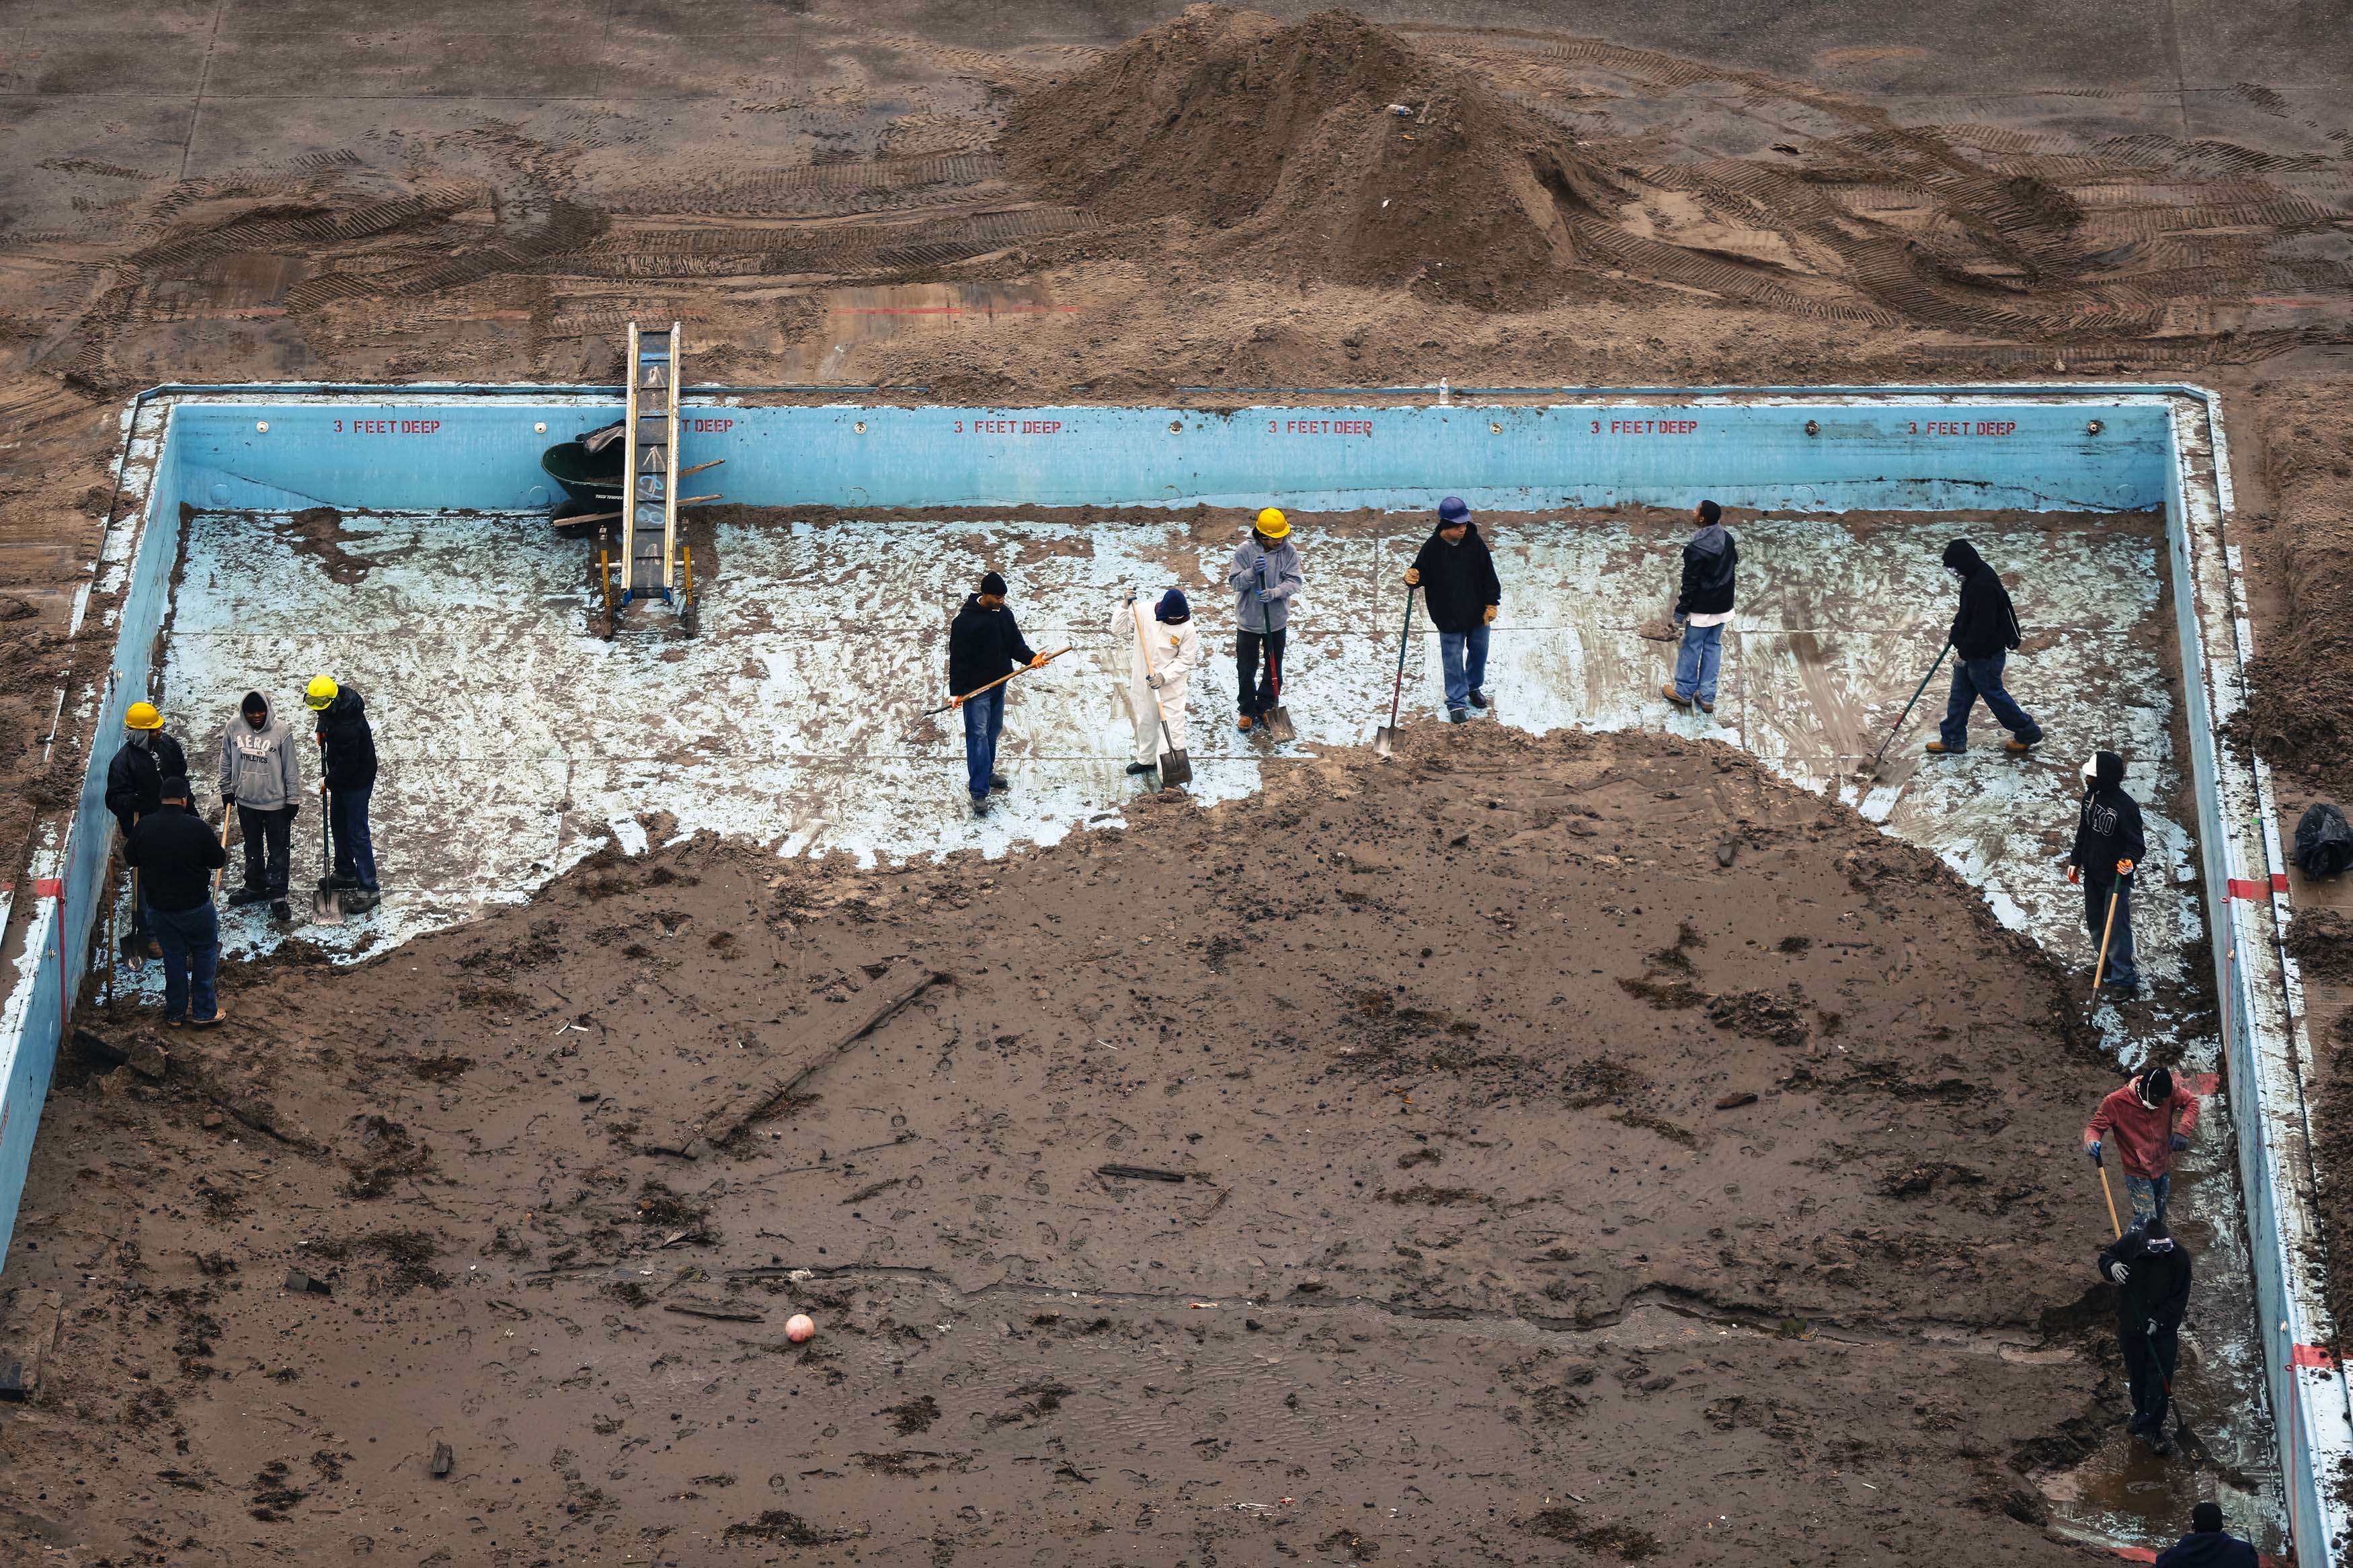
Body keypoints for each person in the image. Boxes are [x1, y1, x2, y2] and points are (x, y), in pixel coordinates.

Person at [123, 776, 227, 1028]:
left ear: (161, 800)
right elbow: (217, 860)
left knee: (174, 957)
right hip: (196, 907)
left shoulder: (145, 826)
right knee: (204, 952)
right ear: (183, 800)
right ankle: (204, 1011)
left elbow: (130, 858)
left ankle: (175, 1014)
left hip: (161, 910)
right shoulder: (196, 827)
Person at [1927, 538, 2042, 755]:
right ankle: (1952, 738)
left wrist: (1964, 652)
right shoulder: (1973, 577)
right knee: (1960, 695)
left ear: (1964, 563)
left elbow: (1984, 629)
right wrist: (1956, 633)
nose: (1953, 573)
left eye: (1954, 568)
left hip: (1986, 655)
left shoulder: (1983, 586)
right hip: (1972, 651)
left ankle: (2028, 732)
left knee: (1994, 696)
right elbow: (1967, 613)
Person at [947, 571, 1045, 817]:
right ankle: (979, 792)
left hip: (999, 683)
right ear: (985, 594)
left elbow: (1015, 644)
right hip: (976, 690)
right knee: (977, 736)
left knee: (992, 730)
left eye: (1003, 597)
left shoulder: (1004, 615)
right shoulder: (964, 622)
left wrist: (1030, 658)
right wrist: (956, 692)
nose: (1002, 601)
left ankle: (987, 773)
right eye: (998, 597)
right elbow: (958, 659)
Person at [2096, 1216, 2192, 1456]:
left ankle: (2153, 1428)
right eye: (2155, 1248)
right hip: (2132, 1325)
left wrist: (2158, 1321)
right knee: (2137, 1375)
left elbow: (2179, 1298)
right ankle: (2141, 1415)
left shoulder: (2179, 1258)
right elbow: (2106, 1257)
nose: (2161, 1254)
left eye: (2165, 1247)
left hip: (2162, 1331)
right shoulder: (2129, 1244)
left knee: (2159, 1380)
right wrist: (2112, 1267)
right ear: (2145, 1243)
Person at [1405, 496, 1501, 724]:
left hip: (1477, 613)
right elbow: (1420, 574)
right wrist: (1412, 578)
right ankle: (1456, 702)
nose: (1463, 529)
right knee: (1453, 660)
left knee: (1480, 652)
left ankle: (1473, 687)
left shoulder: (1475, 543)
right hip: (1448, 616)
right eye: (1458, 525)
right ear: (1445, 525)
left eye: (1465, 524)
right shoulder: (1431, 550)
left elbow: (1489, 574)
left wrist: (1492, 603)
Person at [2069, 750, 2148, 995]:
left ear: (2104, 777)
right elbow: (2084, 830)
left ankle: (2124, 978)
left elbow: (2136, 845)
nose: (2087, 780)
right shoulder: (2090, 798)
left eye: (2091, 776)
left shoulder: (2126, 808)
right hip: (2092, 872)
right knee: (2096, 921)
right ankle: (2106, 962)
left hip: (2115, 879)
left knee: (2116, 928)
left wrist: (2129, 861)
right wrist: (2076, 860)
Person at [218, 690, 303, 920]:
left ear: (268, 709)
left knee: (278, 849)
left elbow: (291, 768)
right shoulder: (233, 727)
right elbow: (226, 758)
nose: (256, 716)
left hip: (276, 805)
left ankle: (277, 894)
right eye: (251, 712)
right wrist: (226, 788)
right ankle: (255, 886)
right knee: (252, 847)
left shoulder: (281, 731)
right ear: (243, 712)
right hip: (246, 801)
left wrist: (292, 799)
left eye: (260, 711)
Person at [2086, 1066, 2197, 1227]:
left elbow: (2192, 1102)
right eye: (2156, 1099)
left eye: (2163, 1101)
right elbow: (2094, 1128)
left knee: (2157, 1219)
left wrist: (2183, 1131)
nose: (2159, 1104)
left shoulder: (2169, 1092)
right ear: (2144, 1090)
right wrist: (2091, 1141)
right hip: (2137, 1173)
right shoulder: (2116, 1102)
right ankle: (2124, 1251)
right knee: (2147, 1221)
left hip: (2163, 1167)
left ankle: (2148, 1249)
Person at [307, 675, 381, 913]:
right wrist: (322, 727)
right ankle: (346, 871)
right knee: (338, 823)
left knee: (357, 832)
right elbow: (325, 713)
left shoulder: (348, 727)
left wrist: (327, 780)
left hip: (357, 779)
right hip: (342, 775)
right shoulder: (338, 699)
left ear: (332, 700)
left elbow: (348, 765)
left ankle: (369, 887)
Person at [1228, 507, 1303, 733]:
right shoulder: (1244, 551)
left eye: (1283, 536)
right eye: (1275, 538)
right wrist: (1251, 573)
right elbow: (1235, 583)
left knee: (1273, 668)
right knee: (1246, 667)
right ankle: (1247, 710)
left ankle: (1268, 706)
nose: (1280, 541)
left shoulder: (1289, 551)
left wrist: (1275, 593)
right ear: (1263, 535)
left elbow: (1295, 581)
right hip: (1249, 621)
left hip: (1276, 621)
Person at [1113, 587, 1200, 777]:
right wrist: (1124, 606)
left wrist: (1164, 676)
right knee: (1146, 721)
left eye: (1179, 619)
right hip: (1143, 680)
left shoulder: (1188, 628)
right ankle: (1147, 760)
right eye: (1172, 619)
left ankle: (1170, 776)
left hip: (1170, 685)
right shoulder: (1143, 611)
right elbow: (1118, 629)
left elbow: (1186, 660)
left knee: (1173, 728)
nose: (1175, 622)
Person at [1662, 500, 1736, 715]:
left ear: (1702, 519)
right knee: (1713, 646)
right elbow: (1733, 566)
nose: (1692, 512)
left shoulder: (1695, 549)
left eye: (1696, 510)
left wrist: (1679, 614)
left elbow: (1690, 585)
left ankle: (1684, 692)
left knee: (1692, 647)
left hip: (1702, 608)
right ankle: (1707, 697)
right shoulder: (1728, 540)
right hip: (1723, 606)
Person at [104, 701, 190, 836]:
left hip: (178, 813)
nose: (159, 731)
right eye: (154, 730)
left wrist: (187, 800)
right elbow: (114, 801)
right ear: (141, 734)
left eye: (159, 727)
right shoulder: (122, 763)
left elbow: (181, 771)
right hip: (148, 827)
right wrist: (139, 799)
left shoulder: (168, 744)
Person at [2153, 1502, 2260, 1567]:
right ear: (2221, 1525)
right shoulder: (2244, 1551)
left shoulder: (2177, 1554)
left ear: (2194, 1526)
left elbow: (2161, 1563)